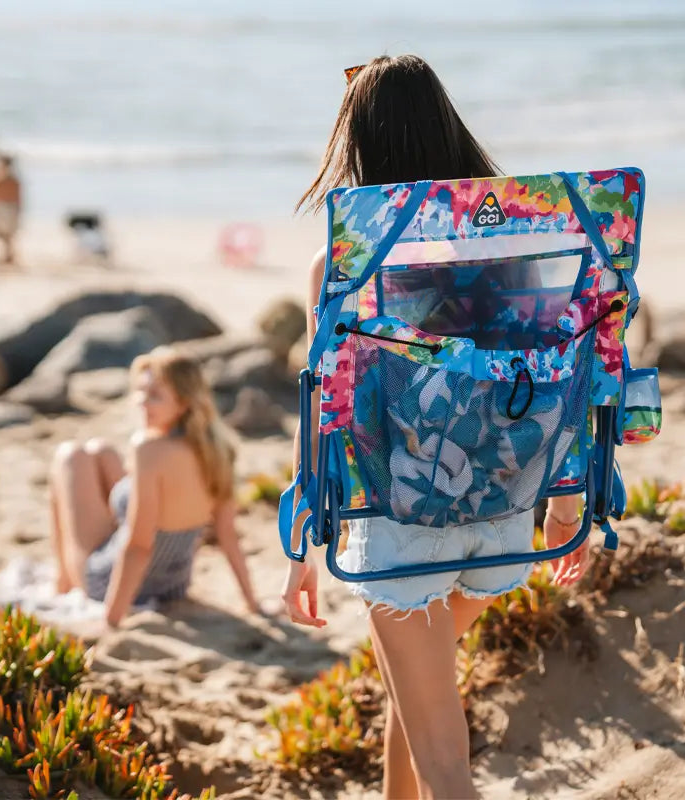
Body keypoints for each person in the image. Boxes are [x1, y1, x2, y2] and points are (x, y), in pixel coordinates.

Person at [281, 55, 590, 800]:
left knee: (446, 761)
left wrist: (301, 544)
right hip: (506, 514)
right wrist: (567, 502)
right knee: (415, 693)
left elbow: (327, 402)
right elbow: (563, 367)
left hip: (402, 523)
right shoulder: (511, 244)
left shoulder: (350, 258)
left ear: (361, 143)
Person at [49, 345, 261, 626]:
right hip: (173, 585)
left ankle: (64, 580)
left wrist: (111, 620)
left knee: (70, 457)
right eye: (140, 391)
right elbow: (227, 534)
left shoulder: (148, 449)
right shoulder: (219, 451)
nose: (141, 402)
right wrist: (253, 604)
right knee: (100, 451)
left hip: (112, 585)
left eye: (154, 396)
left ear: (184, 403)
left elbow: (139, 546)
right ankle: (65, 579)